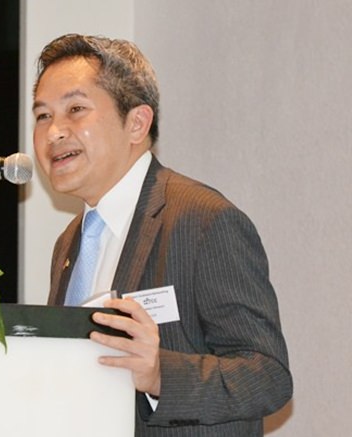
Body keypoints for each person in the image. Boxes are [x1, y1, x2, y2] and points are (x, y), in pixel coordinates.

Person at [32, 33, 292, 436]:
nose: (53, 133)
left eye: (76, 109)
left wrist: (159, 375)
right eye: (43, 116)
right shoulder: (69, 242)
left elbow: (267, 376)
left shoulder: (204, 221)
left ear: (137, 123)